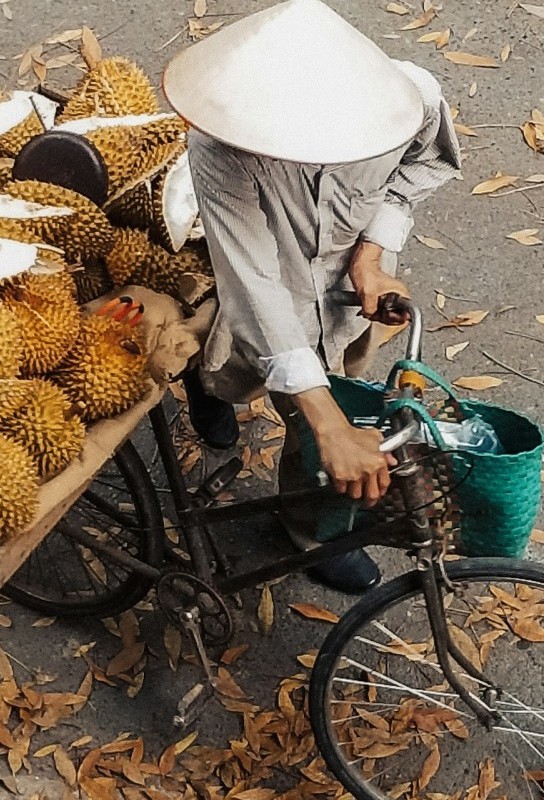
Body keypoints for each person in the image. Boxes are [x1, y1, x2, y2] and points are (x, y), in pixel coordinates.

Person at [162, 0, 462, 593]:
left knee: (336, 405)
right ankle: (204, 381)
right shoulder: (221, 147)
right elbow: (254, 281)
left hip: (348, 294)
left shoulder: (411, 100)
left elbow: (419, 166)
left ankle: (307, 532)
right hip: (272, 285)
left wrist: (371, 254)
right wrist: (328, 425)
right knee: (294, 401)